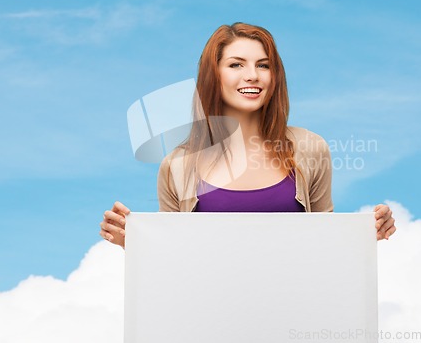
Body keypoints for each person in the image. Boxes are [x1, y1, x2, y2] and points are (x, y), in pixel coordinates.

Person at [100, 22, 396, 248]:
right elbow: (172, 258)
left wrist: (367, 235)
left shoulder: (310, 149)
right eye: (236, 65)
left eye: (263, 65)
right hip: (210, 319)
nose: (252, 75)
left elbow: (325, 246)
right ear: (212, 76)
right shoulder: (177, 165)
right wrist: (133, 242)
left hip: (293, 316)